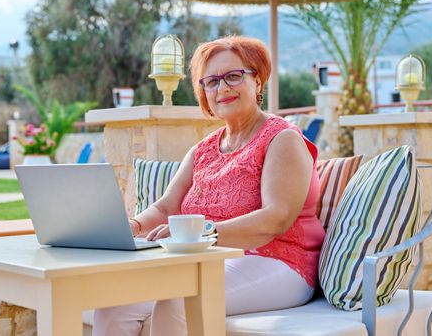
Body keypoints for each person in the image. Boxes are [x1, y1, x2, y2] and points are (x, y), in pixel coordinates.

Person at [93, 36, 325, 336]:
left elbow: (277, 216)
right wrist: (132, 227)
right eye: (212, 81)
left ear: (258, 80)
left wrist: (202, 233)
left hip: (279, 262)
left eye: (233, 76)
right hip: (209, 260)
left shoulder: (282, 139)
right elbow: (167, 207)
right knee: (115, 302)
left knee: (179, 299)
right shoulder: (203, 150)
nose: (222, 88)